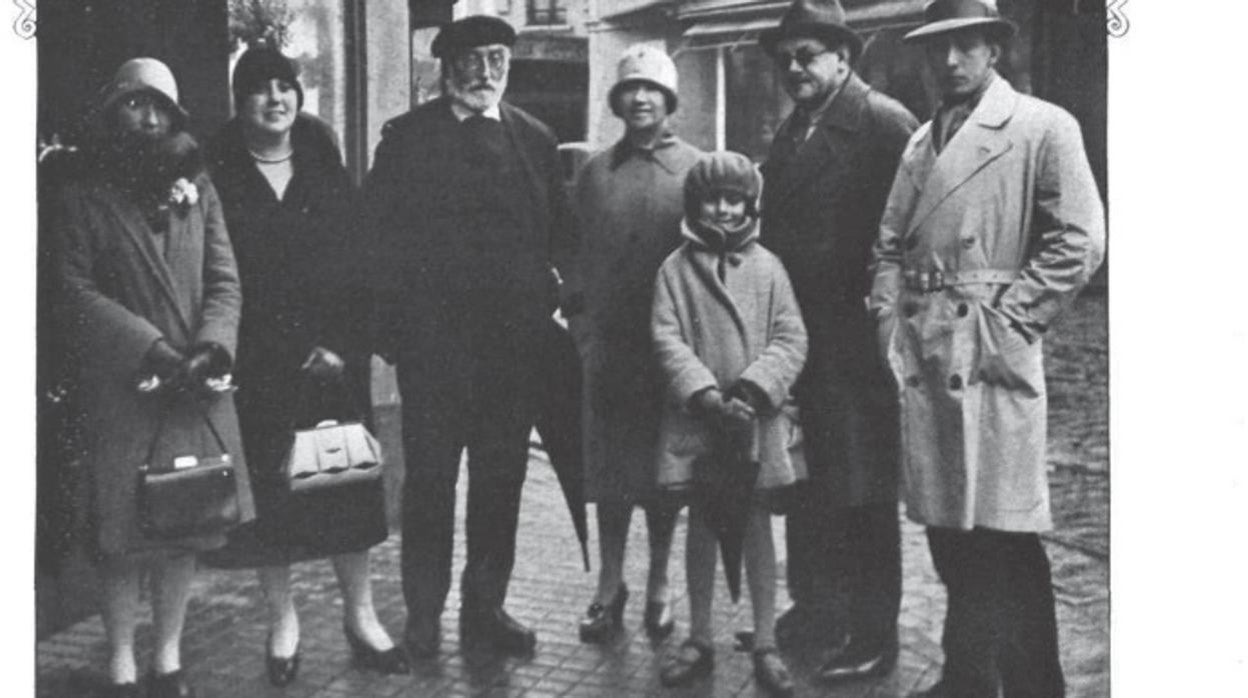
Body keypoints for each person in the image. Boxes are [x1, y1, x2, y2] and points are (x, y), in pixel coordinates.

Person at [868, 2, 1106, 696]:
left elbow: (1081, 238)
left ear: (995, 50)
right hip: (925, 352)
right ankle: (967, 677)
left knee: (1005, 538)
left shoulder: (1041, 126)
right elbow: (887, 244)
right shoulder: (919, 142)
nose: (950, 63)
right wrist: (889, 322)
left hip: (988, 354)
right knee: (952, 535)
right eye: (938, 49)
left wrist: (1010, 320)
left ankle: (1033, 686)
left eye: (967, 46)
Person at [365, 14, 575, 659]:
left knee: (499, 484)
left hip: (512, 359)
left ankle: (486, 608)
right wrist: (398, 339)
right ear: (444, 68)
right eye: (471, 60)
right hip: (435, 358)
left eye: (496, 59)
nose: (485, 73)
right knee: (429, 486)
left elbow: (560, 243)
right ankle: (423, 617)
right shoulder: (406, 141)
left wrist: (550, 311)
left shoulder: (536, 140)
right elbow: (375, 245)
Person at [200, 47, 408, 686]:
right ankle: (282, 622)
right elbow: (218, 273)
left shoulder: (322, 160)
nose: (275, 99)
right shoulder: (220, 171)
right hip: (262, 368)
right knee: (272, 504)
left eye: (284, 86)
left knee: (343, 487)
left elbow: (360, 261)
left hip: (332, 365)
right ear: (241, 103)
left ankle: (361, 613)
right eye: (259, 89)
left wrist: (343, 343)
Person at [55, 57, 255, 698]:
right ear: (113, 110)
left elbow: (225, 277)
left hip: (195, 388)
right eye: (135, 105)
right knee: (122, 539)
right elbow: (73, 289)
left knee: (184, 527)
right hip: (126, 387)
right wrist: (151, 350)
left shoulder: (200, 186)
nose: (148, 118)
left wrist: (210, 349)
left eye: (160, 107)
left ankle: (167, 658)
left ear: (176, 116)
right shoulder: (80, 191)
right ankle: (120, 660)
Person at [756, 0, 918, 681]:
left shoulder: (884, 124)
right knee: (809, 481)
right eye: (787, 58)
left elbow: (909, 232)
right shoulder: (793, 130)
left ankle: (874, 632)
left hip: (856, 340)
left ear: (844, 58)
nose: (795, 68)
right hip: (802, 339)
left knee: (864, 491)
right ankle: (816, 608)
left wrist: (884, 314)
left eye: (809, 55)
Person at [651, 152, 807, 696]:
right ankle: (699, 635)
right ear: (695, 203)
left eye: (733, 198)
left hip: (753, 421)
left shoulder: (769, 268)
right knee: (702, 523)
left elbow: (792, 338)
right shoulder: (675, 269)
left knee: (759, 528)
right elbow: (665, 338)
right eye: (711, 198)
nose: (721, 208)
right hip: (702, 418)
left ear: (749, 204)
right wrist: (706, 394)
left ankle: (765, 640)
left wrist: (752, 390)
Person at [562, 44, 703, 643]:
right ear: (616, 100)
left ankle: (659, 583)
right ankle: (609, 584)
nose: (640, 98)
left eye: (652, 89)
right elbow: (574, 257)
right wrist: (583, 330)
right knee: (610, 476)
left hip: (668, 354)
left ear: (669, 101)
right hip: (610, 351)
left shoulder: (697, 170)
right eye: (630, 88)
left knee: (664, 477)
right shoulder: (595, 171)